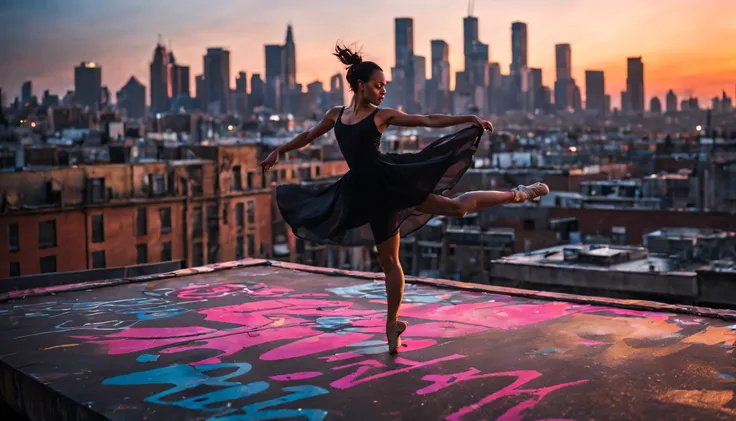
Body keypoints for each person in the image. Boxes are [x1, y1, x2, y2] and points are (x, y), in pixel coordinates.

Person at [259, 43, 549, 354]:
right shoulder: (336, 115)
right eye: (378, 85)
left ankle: (519, 194)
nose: (383, 91)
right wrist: (280, 150)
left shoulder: (382, 116)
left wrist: (468, 118)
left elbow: (427, 120)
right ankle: (392, 325)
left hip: (390, 182)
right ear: (360, 85)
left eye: (385, 86)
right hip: (362, 191)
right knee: (388, 262)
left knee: (456, 209)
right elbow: (308, 136)